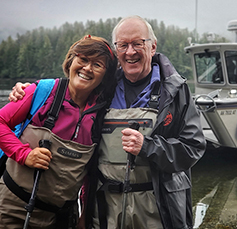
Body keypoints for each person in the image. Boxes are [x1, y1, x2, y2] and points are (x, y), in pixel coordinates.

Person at [9, 15, 206, 229]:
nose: (130, 52)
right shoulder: (102, 88)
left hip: (159, 209)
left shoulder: (175, 91)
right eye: (123, 45)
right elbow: (71, 91)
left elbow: (193, 147)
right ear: (116, 51)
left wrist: (149, 147)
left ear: (152, 47)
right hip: (106, 210)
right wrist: (29, 92)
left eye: (137, 43)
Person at [1, 35, 117, 228]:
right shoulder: (42, 92)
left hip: (62, 219)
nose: (87, 68)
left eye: (98, 65)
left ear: (105, 76)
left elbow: (90, 173)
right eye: (83, 59)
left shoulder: (101, 114)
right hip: (12, 210)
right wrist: (24, 155)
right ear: (71, 60)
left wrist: (83, 218)